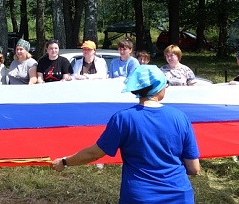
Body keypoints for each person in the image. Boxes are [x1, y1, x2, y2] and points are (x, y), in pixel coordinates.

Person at [50, 65, 200, 203]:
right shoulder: (181, 118)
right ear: (160, 88)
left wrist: (64, 162)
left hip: (139, 196)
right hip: (179, 196)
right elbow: (194, 168)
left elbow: (93, 154)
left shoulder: (123, 119)